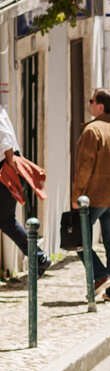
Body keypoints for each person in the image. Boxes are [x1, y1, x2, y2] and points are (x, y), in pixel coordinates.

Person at [71, 88, 110, 302]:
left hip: (94, 196)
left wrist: (77, 195)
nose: (89, 104)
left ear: (100, 106)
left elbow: (84, 167)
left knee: (79, 240)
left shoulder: (93, 131)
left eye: (92, 101)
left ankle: (100, 275)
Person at [0, 104, 50, 276]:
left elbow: (6, 141)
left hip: (4, 169)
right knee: (6, 220)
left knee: (6, 220)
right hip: (7, 168)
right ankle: (38, 257)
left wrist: (11, 168)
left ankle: (39, 257)